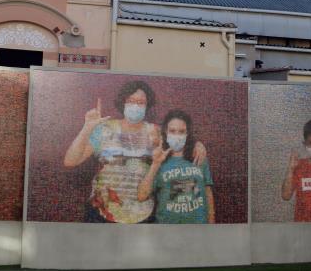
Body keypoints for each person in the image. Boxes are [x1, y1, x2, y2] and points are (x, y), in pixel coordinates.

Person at [63, 80, 206, 223]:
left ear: (147, 105)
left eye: (141, 102)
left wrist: (197, 144)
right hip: (101, 214)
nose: (136, 106)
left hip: (142, 216)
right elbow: (70, 161)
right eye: (131, 101)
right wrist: (87, 128)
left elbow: (179, 137)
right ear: (123, 102)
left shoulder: (155, 132)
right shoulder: (104, 129)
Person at [138, 110, 215, 223]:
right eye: (172, 131)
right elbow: (141, 196)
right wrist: (155, 164)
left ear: (187, 133)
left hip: (199, 226)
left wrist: (212, 219)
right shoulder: (158, 158)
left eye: (181, 131)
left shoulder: (198, 155)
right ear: (165, 132)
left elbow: (207, 190)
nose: (177, 135)